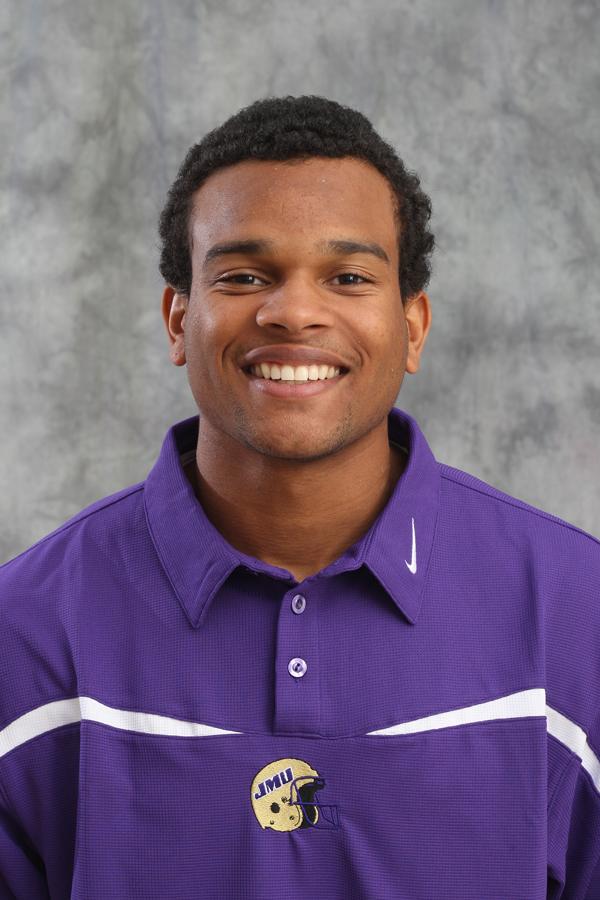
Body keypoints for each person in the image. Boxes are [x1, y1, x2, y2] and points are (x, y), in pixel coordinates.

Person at [0, 94, 598, 899]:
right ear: (179, 320)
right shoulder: (27, 629)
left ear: (413, 327)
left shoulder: (573, 609)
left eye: (347, 276)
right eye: (245, 275)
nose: (294, 312)